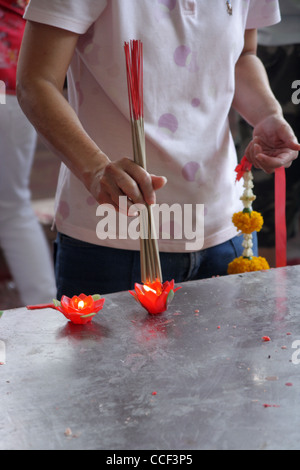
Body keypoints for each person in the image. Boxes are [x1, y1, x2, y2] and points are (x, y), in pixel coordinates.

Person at [17, 0, 300, 298]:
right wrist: (96, 168)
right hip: (114, 232)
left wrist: (268, 114)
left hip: (224, 226)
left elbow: (243, 53)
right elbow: (37, 81)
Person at [0, 0, 56, 305]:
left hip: (17, 83)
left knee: (12, 209)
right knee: (13, 208)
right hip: (14, 82)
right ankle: (45, 308)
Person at [239, 0, 300, 267]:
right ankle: (268, 290)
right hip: (273, 43)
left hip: (264, 44)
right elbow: (243, 56)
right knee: (266, 174)